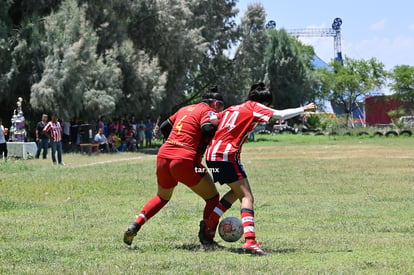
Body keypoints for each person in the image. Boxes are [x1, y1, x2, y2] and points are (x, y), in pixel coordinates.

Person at [200, 82, 316, 255]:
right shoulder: (255, 107)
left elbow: (213, 120)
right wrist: (304, 108)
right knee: (247, 196)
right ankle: (250, 242)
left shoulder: (234, 108)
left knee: (236, 192)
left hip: (212, 155)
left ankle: (210, 223)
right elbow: (280, 115)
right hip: (227, 156)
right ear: (264, 103)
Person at [123, 91, 224, 247]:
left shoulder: (185, 109)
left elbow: (164, 127)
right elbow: (207, 130)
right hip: (185, 161)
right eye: (221, 107)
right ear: (216, 104)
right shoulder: (208, 111)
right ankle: (207, 239)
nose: (220, 111)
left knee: (162, 197)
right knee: (212, 198)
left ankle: (135, 225)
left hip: (164, 157)